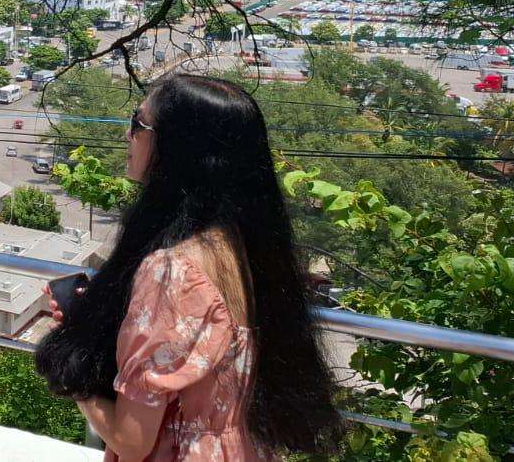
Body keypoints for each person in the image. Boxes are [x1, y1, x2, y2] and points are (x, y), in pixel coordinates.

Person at [35, 74, 345, 461]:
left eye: (137, 122)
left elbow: (132, 441)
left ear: (178, 148)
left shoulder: (173, 271)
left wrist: (69, 361)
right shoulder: (242, 244)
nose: (126, 135)